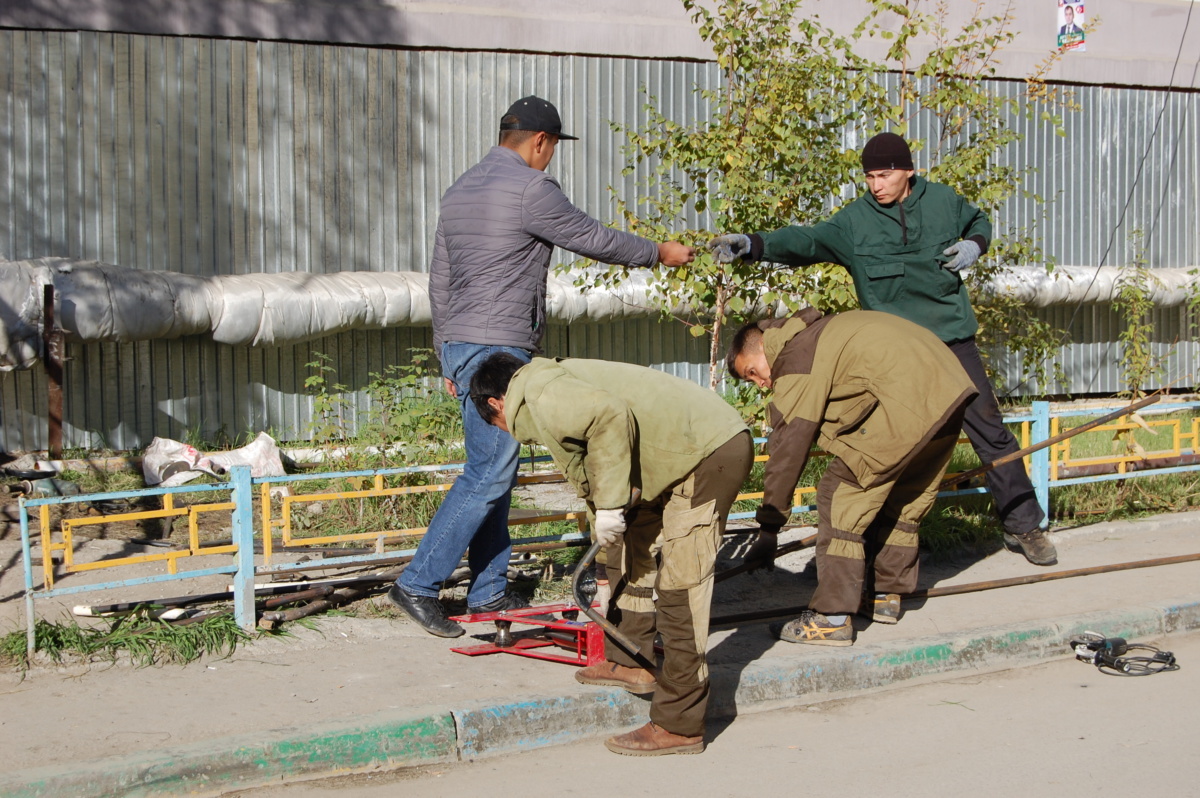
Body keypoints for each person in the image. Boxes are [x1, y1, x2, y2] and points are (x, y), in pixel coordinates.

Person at [389, 96, 696, 638]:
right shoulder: (532, 189)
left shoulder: (460, 190)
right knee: (487, 472)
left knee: (496, 472)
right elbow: (591, 238)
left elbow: (440, 278)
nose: (549, 158)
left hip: (463, 344)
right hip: (499, 347)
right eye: (551, 148)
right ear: (540, 142)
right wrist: (658, 253)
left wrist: (446, 350)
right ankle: (417, 583)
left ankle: (487, 591)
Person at [708, 132, 1058, 566]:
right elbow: (808, 241)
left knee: (990, 432)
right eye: (870, 176)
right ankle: (880, 545)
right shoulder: (855, 222)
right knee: (886, 446)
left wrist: (975, 245)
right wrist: (754, 245)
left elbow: (978, 221)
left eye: (886, 174)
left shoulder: (944, 202)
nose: (877, 185)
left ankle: (1024, 525)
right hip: (894, 359)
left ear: (908, 170)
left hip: (951, 339)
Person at [470, 352, 752, 756]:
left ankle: (679, 724)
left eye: (498, 424)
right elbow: (597, 470)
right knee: (629, 553)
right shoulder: (548, 387)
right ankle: (631, 659)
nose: (510, 433)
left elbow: (608, 416)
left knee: (680, 588)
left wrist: (608, 508)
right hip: (673, 458)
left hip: (707, 453)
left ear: (497, 403)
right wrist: (604, 554)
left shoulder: (542, 391)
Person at [726, 308, 977, 645]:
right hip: (949, 395)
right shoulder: (821, 334)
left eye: (753, 372)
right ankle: (885, 596)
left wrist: (769, 528)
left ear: (761, 348)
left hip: (907, 401)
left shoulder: (796, 358)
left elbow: (789, 445)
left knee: (837, 493)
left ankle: (831, 619)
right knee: (901, 496)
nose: (761, 383)